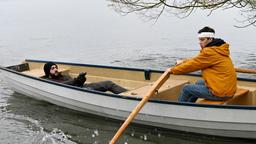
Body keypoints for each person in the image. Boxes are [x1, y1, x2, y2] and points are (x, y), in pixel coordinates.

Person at [168, 26, 237, 103]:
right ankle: (189, 105)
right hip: (227, 90)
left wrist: (172, 70)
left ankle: (180, 109)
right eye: (199, 40)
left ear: (210, 39)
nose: (200, 42)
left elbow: (192, 65)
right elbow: (197, 60)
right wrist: (183, 62)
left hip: (221, 93)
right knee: (199, 83)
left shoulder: (210, 52)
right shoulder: (218, 49)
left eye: (202, 40)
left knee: (186, 88)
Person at [43, 62, 127, 94]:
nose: (56, 69)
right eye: (52, 68)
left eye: (56, 67)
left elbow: (77, 83)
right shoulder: (48, 81)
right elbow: (62, 85)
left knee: (108, 83)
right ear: (48, 71)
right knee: (91, 91)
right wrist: (76, 80)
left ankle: (128, 94)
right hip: (78, 92)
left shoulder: (64, 76)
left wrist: (82, 78)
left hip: (83, 87)